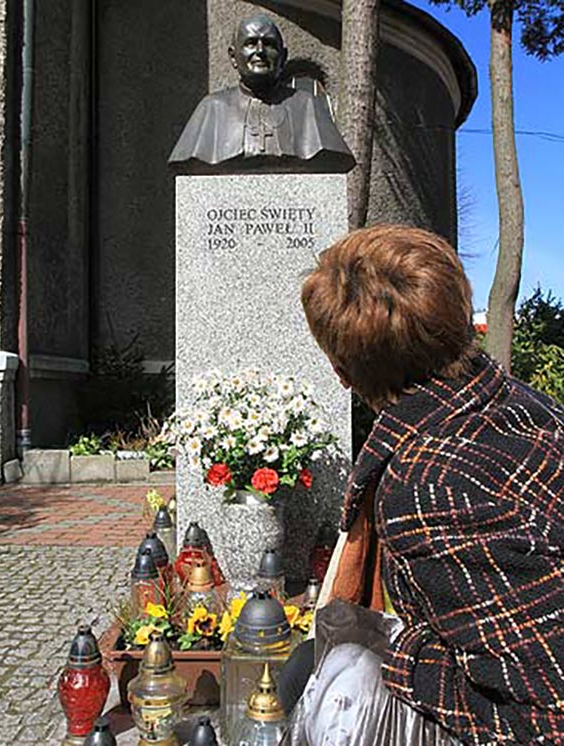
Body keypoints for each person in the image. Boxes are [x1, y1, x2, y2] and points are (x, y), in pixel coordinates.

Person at [291, 224, 563, 744]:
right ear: (462, 322)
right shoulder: (522, 407)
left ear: (341, 370)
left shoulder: (427, 487)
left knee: (328, 677)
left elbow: (546, 714)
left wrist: (400, 651)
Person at [169, 14, 354, 170]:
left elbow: (332, 157)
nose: (260, 51)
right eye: (250, 43)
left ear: (283, 56)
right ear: (233, 57)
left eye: (269, 44)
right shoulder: (212, 108)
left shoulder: (307, 105)